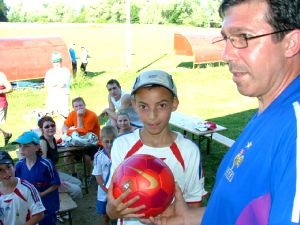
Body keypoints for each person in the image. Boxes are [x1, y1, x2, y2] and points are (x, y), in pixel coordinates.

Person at [134, 1, 300, 225]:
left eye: (243, 37)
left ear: (291, 43)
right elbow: (247, 212)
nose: (226, 54)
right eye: (226, 39)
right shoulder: (269, 110)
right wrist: (190, 217)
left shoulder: (295, 128)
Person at [106, 70, 207, 225]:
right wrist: (113, 211)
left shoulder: (188, 151)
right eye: (143, 106)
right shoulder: (122, 145)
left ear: (174, 103)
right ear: (134, 105)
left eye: (161, 105)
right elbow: (111, 209)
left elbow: (193, 204)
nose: (152, 116)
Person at [13, 131, 61, 225]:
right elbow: (17, 185)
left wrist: (42, 194)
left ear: (37, 147)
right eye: (20, 146)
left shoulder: (46, 164)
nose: (22, 149)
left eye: (26, 146)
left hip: (46, 205)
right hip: (28, 206)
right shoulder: (18, 166)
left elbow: (56, 183)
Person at [38, 116, 82, 199]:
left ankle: (64, 201)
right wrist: (56, 181)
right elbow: (43, 167)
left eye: (52, 125)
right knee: (77, 190)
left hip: (53, 172)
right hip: (46, 178)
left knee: (78, 183)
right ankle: (62, 205)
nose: (50, 128)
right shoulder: (43, 142)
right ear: (41, 129)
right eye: (47, 126)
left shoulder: (52, 138)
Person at [62, 96, 102, 182]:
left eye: (81, 105)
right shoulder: (72, 114)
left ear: (85, 105)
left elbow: (82, 134)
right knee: (66, 155)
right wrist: (66, 132)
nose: (79, 108)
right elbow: (65, 125)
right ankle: (74, 174)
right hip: (78, 143)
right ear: (73, 108)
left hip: (92, 143)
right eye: (76, 106)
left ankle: (88, 175)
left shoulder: (92, 115)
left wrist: (79, 117)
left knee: (86, 157)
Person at [0, 150, 45, 225]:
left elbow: (39, 214)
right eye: (0, 170)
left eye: (8, 167)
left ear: (14, 167)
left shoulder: (27, 188)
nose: (7, 172)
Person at [92, 125, 118, 225]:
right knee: (106, 214)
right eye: (107, 141)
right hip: (104, 189)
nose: (110, 144)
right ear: (101, 141)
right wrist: (107, 189)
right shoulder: (99, 157)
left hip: (118, 188)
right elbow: (98, 176)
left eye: (113, 141)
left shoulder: (120, 154)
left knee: (118, 211)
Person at [44, 51, 71, 118]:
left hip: (63, 95)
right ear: (52, 62)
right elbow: (47, 84)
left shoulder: (65, 71)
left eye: (58, 61)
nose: (56, 63)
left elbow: (62, 84)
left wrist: (54, 83)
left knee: (64, 114)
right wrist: (55, 83)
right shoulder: (49, 72)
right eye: (55, 62)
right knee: (51, 114)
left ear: (61, 61)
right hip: (52, 96)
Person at [0, 72, 12, 145]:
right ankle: (6, 134)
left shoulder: (1, 76)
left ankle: (6, 134)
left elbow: (10, 88)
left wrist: (1, 91)